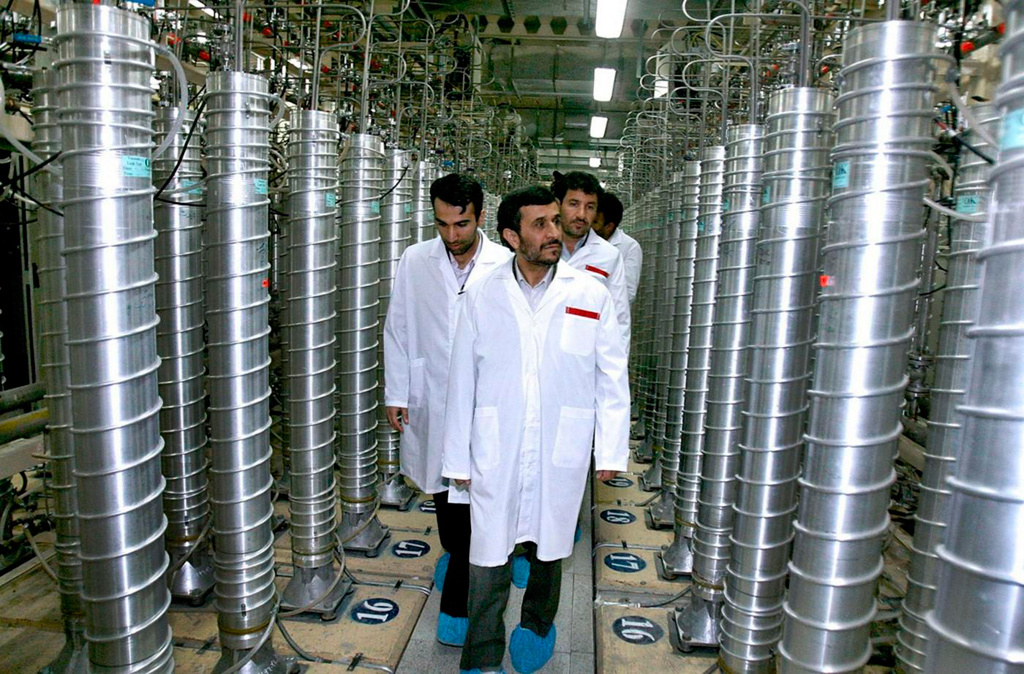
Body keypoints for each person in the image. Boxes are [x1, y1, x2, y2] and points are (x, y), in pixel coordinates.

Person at [442, 186, 630, 674]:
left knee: (551, 545)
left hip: (560, 442)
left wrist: (611, 449)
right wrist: (456, 459)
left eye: (555, 221)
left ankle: (538, 625)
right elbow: (462, 379)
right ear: (511, 236)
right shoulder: (481, 293)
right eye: (540, 224)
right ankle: (482, 653)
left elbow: (611, 375)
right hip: (496, 441)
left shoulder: (588, 293)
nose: (555, 232)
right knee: (488, 554)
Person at [383, 173, 511, 647]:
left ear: (480, 217)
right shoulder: (416, 260)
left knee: (478, 504)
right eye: (441, 224)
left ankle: (459, 602)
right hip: (433, 397)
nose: (451, 236)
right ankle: (459, 559)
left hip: (485, 403)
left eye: (461, 224)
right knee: (445, 496)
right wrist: (397, 392)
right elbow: (398, 327)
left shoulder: (504, 263)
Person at [551, 171, 631, 352]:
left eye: (590, 207)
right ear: (558, 204)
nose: (581, 214)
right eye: (573, 204)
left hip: (586, 356)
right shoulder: (539, 247)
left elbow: (619, 319)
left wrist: (616, 365)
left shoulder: (609, 256)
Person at [593, 191, 642, 305]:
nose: (590, 225)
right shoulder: (583, 240)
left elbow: (628, 292)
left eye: (595, 222)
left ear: (609, 226)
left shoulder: (629, 247)